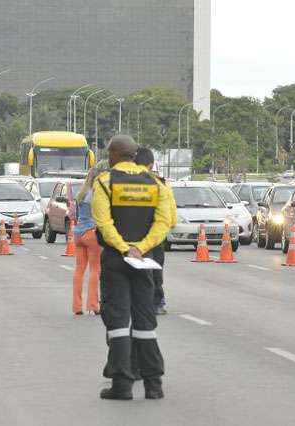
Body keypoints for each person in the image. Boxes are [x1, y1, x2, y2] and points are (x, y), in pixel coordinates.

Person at [92, 135, 171, 400]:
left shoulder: (105, 182)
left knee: (117, 321)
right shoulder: (157, 184)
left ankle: (122, 384)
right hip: (145, 260)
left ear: (114, 154)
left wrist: (125, 248)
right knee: (145, 321)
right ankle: (153, 384)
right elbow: (165, 222)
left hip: (116, 259)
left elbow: (104, 223)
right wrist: (141, 247)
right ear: (135, 154)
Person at [134, 147, 177, 315]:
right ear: (151, 165)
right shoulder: (161, 184)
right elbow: (171, 218)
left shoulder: (120, 182)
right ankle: (157, 302)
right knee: (155, 271)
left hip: (128, 237)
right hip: (155, 237)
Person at [72, 166, 105, 316]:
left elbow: (75, 215)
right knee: (95, 269)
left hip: (78, 234)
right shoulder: (97, 193)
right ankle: (93, 305)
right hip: (92, 233)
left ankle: (77, 306)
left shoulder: (81, 193)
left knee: (79, 269)